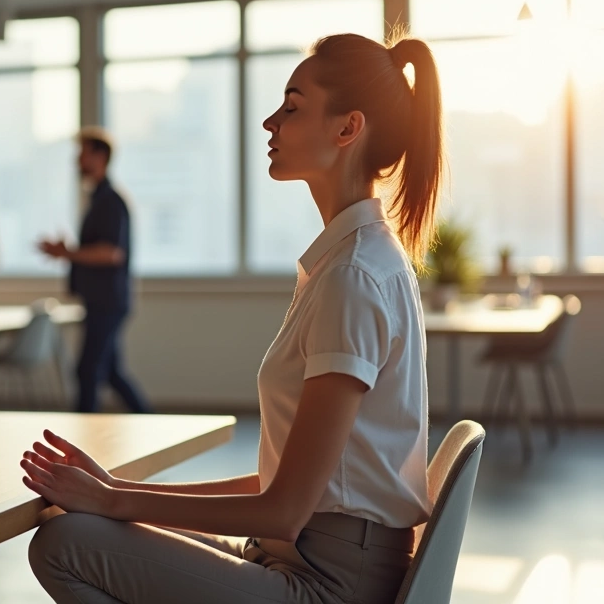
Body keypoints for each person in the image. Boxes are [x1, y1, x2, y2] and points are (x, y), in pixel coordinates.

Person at [22, 32, 443, 604]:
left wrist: (116, 501)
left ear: (347, 129)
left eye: (292, 107)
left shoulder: (353, 275)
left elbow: (285, 510)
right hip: (303, 554)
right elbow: (284, 488)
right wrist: (116, 488)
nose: (270, 122)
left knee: (64, 542)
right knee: (83, 529)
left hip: (327, 583)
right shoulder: (353, 261)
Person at [38, 127, 151, 414]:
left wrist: (67, 253)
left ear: (100, 157)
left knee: (87, 371)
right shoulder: (99, 199)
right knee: (110, 372)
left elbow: (111, 253)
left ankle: (81, 439)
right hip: (103, 300)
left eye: (82, 155)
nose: (77, 162)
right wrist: (69, 253)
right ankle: (150, 420)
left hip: (107, 301)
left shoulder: (110, 201)